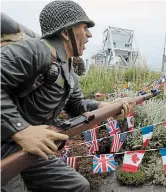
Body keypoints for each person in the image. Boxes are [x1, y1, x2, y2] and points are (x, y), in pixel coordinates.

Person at [1, 0, 132, 191]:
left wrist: (106, 107)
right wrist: (21, 130)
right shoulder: (34, 50)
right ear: (65, 32)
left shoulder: (68, 70)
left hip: (28, 148)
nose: (89, 34)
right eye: (84, 27)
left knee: (77, 186)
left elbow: (77, 106)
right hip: (7, 143)